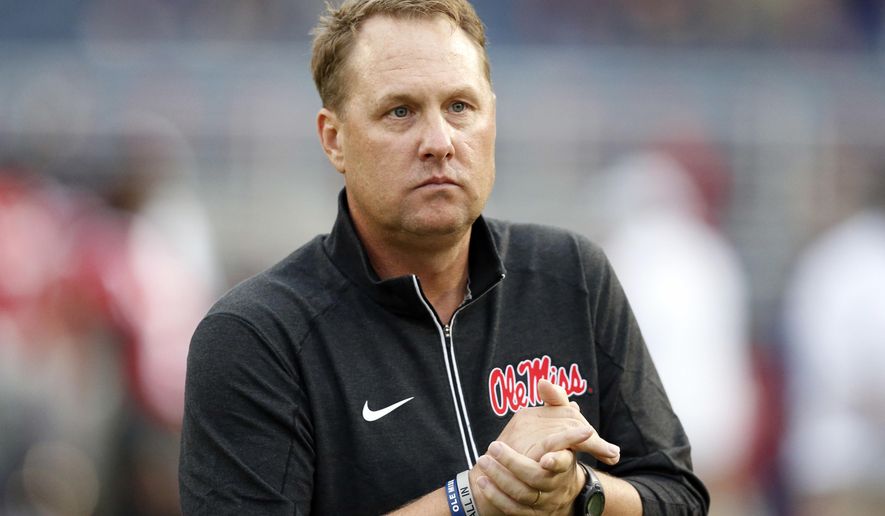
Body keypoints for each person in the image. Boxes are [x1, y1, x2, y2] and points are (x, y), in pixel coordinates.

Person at [178, 1, 709, 514]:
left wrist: (578, 492)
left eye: (460, 107)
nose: (439, 141)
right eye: (400, 111)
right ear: (334, 139)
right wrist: (475, 498)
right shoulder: (256, 337)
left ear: (492, 119)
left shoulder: (571, 274)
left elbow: (679, 497)